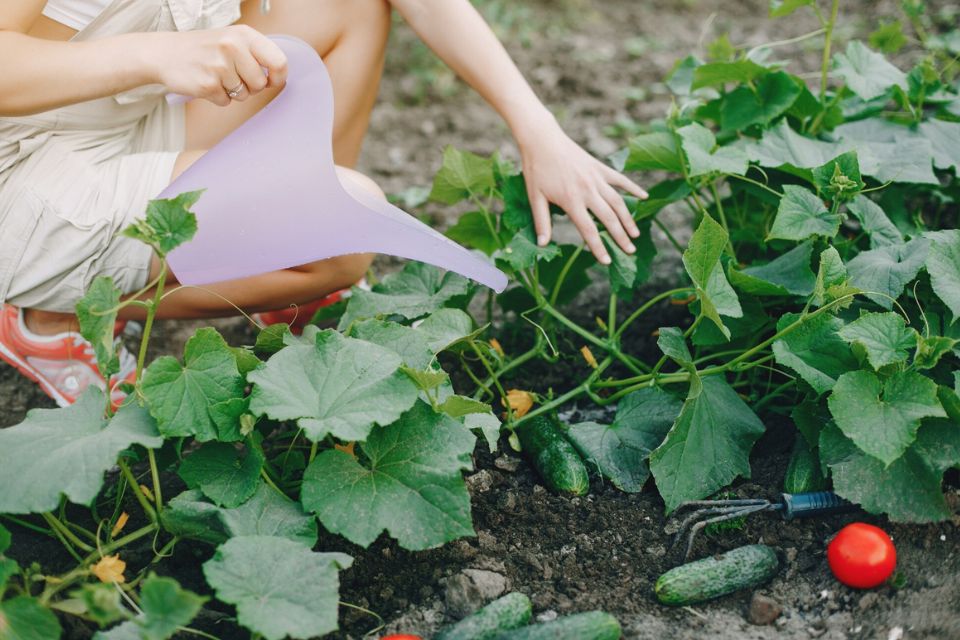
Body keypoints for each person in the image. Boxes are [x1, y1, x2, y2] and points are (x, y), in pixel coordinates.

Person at [0, 0, 648, 407]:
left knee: (351, 5)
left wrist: (538, 132)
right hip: (24, 175)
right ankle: (46, 318)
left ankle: (289, 290)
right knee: (344, 224)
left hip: (117, 123)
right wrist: (155, 53)